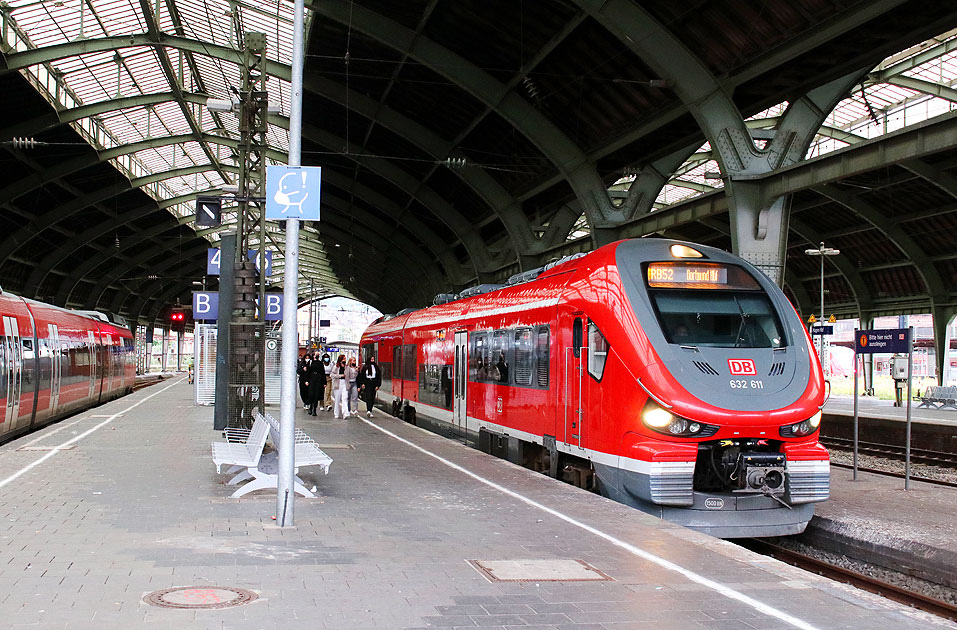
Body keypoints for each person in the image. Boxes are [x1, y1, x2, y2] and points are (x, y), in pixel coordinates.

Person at [305, 351, 326, 416]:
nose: (317, 355)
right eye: (316, 354)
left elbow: (323, 373)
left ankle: (314, 409)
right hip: (311, 379)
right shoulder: (310, 362)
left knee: (316, 394)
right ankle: (310, 407)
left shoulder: (320, 363)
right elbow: (307, 372)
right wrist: (306, 380)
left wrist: (324, 382)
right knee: (311, 394)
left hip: (318, 379)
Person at [332, 354, 349, 419]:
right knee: (337, 399)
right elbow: (332, 374)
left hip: (345, 383)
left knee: (345, 398)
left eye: (345, 358)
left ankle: (345, 413)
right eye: (344, 358)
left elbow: (349, 374)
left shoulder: (346, 367)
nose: (345, 360)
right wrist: (340, 376)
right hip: (338, 383)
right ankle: (336, 413)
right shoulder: (336, 366)